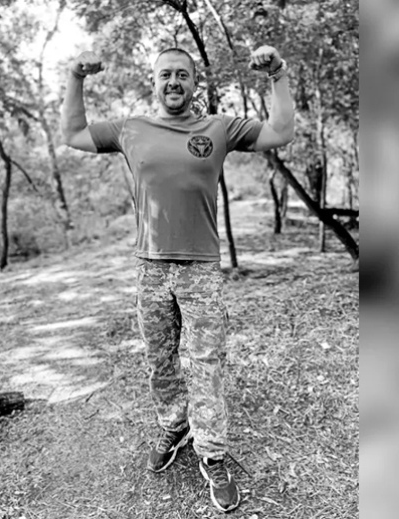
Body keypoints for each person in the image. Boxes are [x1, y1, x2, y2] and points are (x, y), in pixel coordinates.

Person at [60, 45, 294, 513]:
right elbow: (73, 134)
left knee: (206, 363)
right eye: (165, 74)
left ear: (194, 83)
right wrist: (75, 77)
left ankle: (212, 454)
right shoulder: (131, 128)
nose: (173, 82)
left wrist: (279, 75)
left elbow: (280, 132)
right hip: (150, 268)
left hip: (200, 269)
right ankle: (174, 424)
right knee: (159, 359)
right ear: (154, 81)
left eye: (182, 75)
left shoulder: (218, 128)